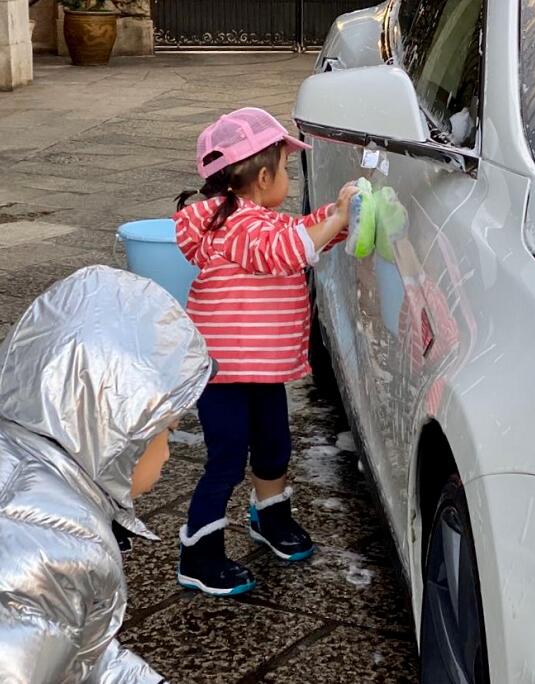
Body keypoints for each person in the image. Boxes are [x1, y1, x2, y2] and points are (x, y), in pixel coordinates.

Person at [173, 107, 357, 596]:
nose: (289, 182)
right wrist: (334, 218)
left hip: (261, 368)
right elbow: (288, 249)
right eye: (285, 169)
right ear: (261, 176)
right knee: (227, 458)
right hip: (224, 374)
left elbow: (294, 236)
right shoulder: (236, 226)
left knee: (274, 447)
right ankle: (199, 552)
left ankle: (269, 517)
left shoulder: (257, 221)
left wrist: (340, 220)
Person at [0, 265, 214, 683]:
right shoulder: (61, 557)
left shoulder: (28, 464)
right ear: (118, 430)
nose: (169, 455)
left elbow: (83, 655)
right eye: (167, 433)